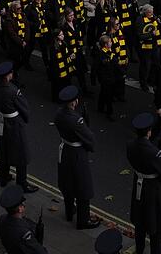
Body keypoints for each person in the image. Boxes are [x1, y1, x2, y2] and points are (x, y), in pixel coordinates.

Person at [54, 85, 99, 229]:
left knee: (68, 183)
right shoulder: (76, 120)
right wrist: (86, 123)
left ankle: (69, 211)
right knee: (83, 186)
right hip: (77, 153)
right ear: (74, 102)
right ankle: (83, 220)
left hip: (65, 150)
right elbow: (89, 138)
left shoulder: (59, 114)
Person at [127, 112, 161, 254]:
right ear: (149, 131)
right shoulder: (154, 152)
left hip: (139, 186)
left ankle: (139, 250)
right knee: (156, 228)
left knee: (140, 224)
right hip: (152, 190)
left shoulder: (130, 145)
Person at [0, 61, 38, 192]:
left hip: (1, 122)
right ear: (7, 76)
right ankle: (22, 182)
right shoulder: (13, 91)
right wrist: (24, 119)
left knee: (4, 149)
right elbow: (24, 108)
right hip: (14, 123)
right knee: (21, 153)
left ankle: (4, 177)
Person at [0, 184, 48, 254]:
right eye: (22, 203)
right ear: (20, 209)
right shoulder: (24, 233)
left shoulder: (2, 219)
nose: (24, 204)